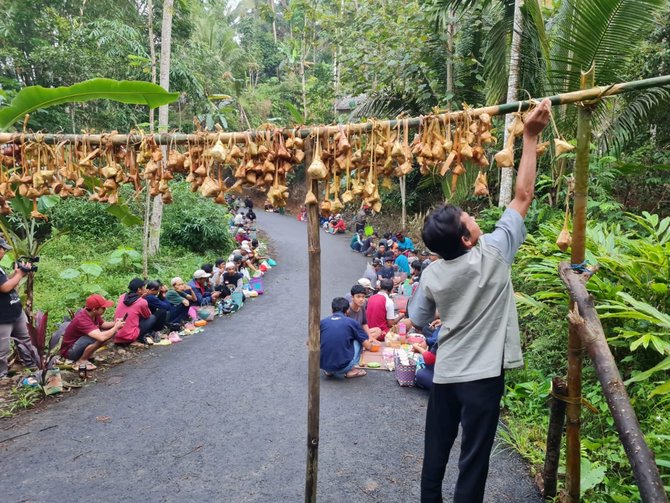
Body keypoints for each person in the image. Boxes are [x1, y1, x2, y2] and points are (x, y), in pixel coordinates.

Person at [410, 99, 551, 503]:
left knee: (435, 451)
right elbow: (522, 195)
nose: (473, 216)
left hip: (448, 374)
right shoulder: (495, 251)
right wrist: (530, 135)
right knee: (474, 457)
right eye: (468, 219)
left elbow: (418, 318)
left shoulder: (433, 272)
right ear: (467, 238)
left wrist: (441, 314)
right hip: (483, 380)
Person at [0, 238, 40, 378]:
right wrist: (20, 274)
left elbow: (6, 281)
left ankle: (35, 367)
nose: (4, 252)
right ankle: (2, 376)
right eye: (3, 249)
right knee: (2, 349)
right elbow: (4, 288)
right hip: (3, 317)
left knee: (27, 341)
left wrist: (16, 273)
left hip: (15, 312)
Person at [60, 294, 125, 370]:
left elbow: (103, 324)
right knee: (98, 338)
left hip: (79, 344)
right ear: (94, 309)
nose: (105, 309)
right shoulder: (82, 319)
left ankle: (86, 355)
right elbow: (101, 337)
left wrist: (115, 323)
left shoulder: (94, 314)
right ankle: (82, 360)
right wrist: (116, 327)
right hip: (70, 352)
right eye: (103, 308)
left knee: (109, 334)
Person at [320, 297, 374, 379]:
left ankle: (329, 370)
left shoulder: (323, 322)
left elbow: (309, 342)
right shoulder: (352, 322)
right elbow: (368, 346)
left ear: (332, 309)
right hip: (343, 366)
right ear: (347, 310)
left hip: (324, 365)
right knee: (358, 340)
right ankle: (351, 370)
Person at [114, 278, 159, 345]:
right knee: (152, 317)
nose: (145, 289)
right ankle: (139, 338)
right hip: (129, 337)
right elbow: (147, 316)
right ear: (139, 290)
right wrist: (142, 299)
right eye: (144, 287)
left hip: (116, 335)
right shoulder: (142, 302)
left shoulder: (122, 296)